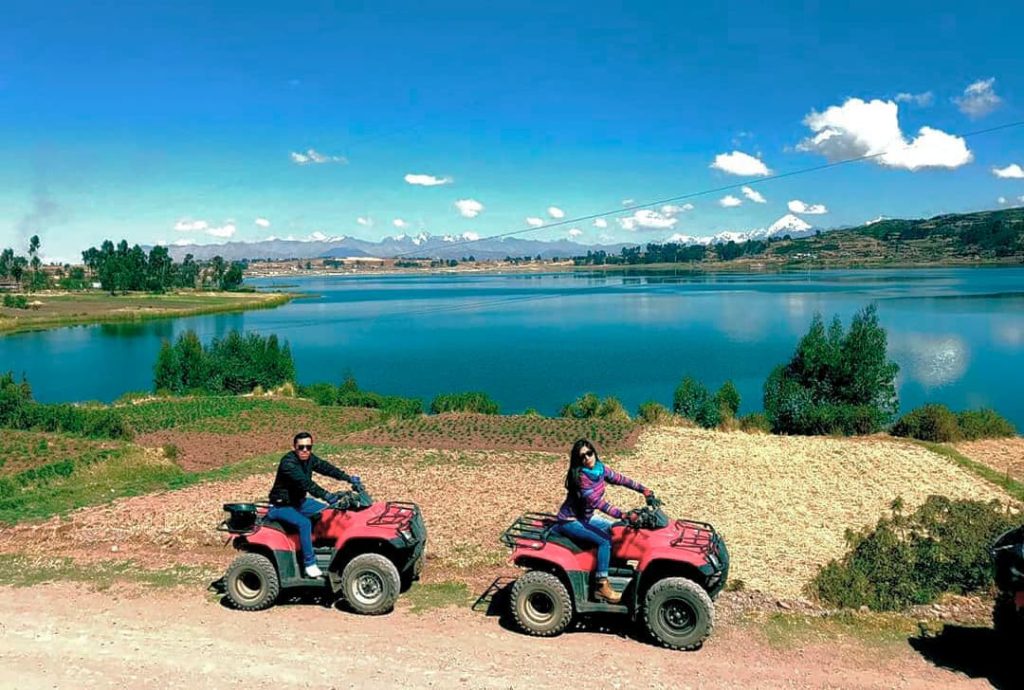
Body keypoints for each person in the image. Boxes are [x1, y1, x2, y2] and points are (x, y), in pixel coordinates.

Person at [553, 438, 655, 603]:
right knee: (604, 541)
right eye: (582, 457)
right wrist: (623, 515)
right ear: (578, 460)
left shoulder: (600, 469)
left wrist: (644, 490)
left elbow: (622, 479)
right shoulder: (581, 478)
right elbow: (598, 503)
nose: (587, 458)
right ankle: (601, 585)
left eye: (589, 453)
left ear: (594, 452)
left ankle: (612, 565)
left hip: (586, 517)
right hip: (570, 521)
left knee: (615, 529)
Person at [267, 431, 358, 578]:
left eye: (308, 447)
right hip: (281, 506)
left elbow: (326, 468)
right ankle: (310, 564)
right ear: (294, 447)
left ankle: (326, 548)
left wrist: (348, 478)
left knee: (329, 511)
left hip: (299, 502)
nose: (305, 450)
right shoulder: (288, 463)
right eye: (301, 447)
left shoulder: (309, 459)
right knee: (304, 523)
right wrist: (327, 495)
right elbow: (306, 483)